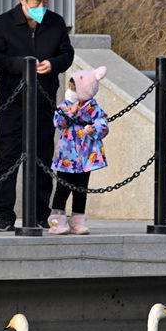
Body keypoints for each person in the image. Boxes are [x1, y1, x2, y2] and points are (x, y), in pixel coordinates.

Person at [0, 0, 75, 231]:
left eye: (46, 1)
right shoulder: (4, 23)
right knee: (8, 157)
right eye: (37, 1)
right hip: (13, 102)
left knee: (43, 157)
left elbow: (66, 54)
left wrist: (53, 64)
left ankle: (39, 213)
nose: (42, 7)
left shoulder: (55, 22)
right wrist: (22, 65)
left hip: (44, 101)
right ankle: (4, 216)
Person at [47, 67, 109, 235]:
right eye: (70, 87)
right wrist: (71, 113)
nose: (70, 91)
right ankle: (57, 220)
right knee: (63, 187)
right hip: (67, 155)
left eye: (74, 88)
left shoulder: (93, 108)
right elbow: (58, 123)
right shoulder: (64, 106)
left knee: (81, 189)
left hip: (85, 156)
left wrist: (93, 129)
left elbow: (103, 124)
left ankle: (78, 220)